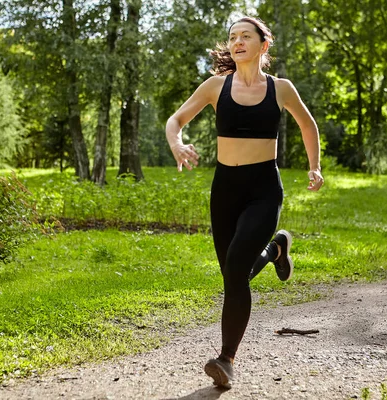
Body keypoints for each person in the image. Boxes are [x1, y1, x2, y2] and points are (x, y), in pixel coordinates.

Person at [165, 16, 323, 389]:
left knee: (236, 269)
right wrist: (177, 144)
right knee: (234, 275)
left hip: (264, 189)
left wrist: (315, 168)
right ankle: (276, 249)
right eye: (232, 37)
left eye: (245, 36)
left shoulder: (280, 89)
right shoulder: (215, 87)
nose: (237, 41)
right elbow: (176, 120)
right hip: (226, 191)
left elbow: (307, 125)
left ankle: (226, 360)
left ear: (263, 45)